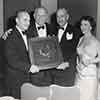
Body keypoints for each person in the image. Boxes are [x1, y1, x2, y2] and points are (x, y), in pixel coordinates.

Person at [4, 10, 39, 99]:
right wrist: (29, 67)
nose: (28, 23)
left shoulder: (30, 34)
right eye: (25, 20)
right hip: (15, 79)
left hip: (27, 79)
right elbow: (12, 60)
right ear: (17, 20)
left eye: (29, 20)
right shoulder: (9, 37)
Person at [50, 8, 80, 86]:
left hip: (67, 71)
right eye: (57, 17)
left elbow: (77, 51)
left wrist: (68, 63)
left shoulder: (76, 31)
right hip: (53, 72)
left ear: (67, 17)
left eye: (62, 16)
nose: (60, 19)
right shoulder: (51, 30)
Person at [76, 16, 100, 100]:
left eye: (85, 24)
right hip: (79, 74)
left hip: (90, 76)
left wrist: (90, 61)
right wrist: (78, 65)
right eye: (81, 24)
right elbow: (79, 55)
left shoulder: (95, 41)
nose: (83, 27)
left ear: (91, 27)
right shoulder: (81, 39)